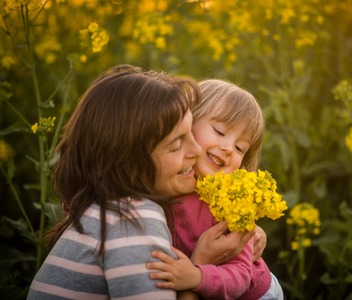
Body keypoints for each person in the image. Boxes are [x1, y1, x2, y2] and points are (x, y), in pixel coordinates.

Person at [27, 65, 257, 299]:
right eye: (177, 143)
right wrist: (201, 263)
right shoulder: (134, 220)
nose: (197, 150)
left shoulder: (104, 210)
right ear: (131, 158)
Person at [147, 79, 284, 299]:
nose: (229, 148)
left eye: (240, 148)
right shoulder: (166, 178)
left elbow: (240, 276)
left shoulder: (229, 203)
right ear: (187, 122)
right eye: (220, 131)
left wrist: (196, 277)